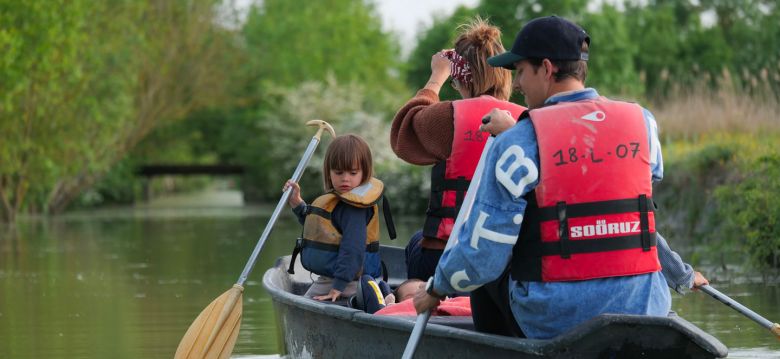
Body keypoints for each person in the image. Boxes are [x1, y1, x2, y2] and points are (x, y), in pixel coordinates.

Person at [412, 16, 708, 339]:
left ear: (547, 69)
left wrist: (437, 287)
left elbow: (483, 255)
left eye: (522, 71)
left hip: (554, 320)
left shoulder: (518, 142)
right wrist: (681, 274)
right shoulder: (643, 125)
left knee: (487, 274)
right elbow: (640, 221)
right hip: (644, 309)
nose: (519, 84)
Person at [390, 17, 527, 280]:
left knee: (417, 241)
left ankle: (420, 299)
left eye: (455, 82)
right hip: (505, 259)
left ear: (462, 80)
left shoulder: (449, 116)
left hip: (448, 254)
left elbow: (402, 133)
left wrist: (436, 78)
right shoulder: (527, 120)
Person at [284, 134, 387, 302]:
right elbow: (322, 230)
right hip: (340, 277)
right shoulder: (337, 201)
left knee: (305, 301)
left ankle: (378, 296)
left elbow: (353, 248)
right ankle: (383, 294)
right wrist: (298, 204)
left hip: (347, 280)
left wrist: (338, 286)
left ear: (364, 173)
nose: (345, 178)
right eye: (338, 172)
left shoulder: (354, 208)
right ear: (329, 172)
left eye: (353, 172)